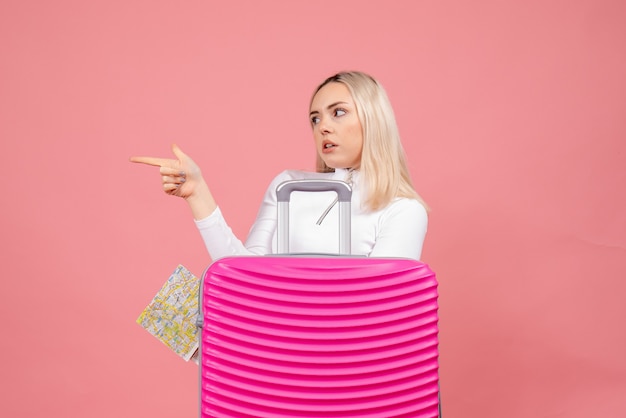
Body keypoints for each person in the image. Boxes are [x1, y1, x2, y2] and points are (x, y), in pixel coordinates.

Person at [130, 71, 428, 261]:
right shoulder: (289, 186)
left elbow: (384, 306)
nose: (323, 126)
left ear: (374, 119)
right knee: (179, 305)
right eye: (315, 118)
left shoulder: (403, 210)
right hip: (275, 343)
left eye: (338, 112)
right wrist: (198, 193)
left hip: (348, 352)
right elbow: (242, 275)